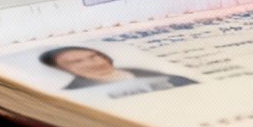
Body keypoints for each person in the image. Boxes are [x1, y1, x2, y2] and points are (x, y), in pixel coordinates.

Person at [37, 46, 195, 98]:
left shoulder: (144, 72)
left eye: (93, 56)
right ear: (62, 69)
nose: (92, 63)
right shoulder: (74, 93)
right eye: (77, 61)